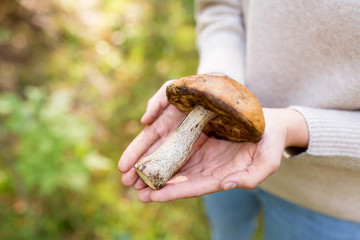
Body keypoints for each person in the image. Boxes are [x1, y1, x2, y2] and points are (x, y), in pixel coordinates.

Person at [119, 0, 360, 239]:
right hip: (221, 155)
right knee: (226, 231)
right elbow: (221, 7)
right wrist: (219, 77)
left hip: (328, 203)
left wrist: (294, 127)